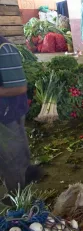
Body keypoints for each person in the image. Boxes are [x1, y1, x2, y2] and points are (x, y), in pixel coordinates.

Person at [0, 35, 43, 205]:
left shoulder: (4, 49)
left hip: (8, 113)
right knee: (9, 153)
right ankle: (26, 175)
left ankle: (19, 199)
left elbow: (19, 87)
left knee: (12, 155)